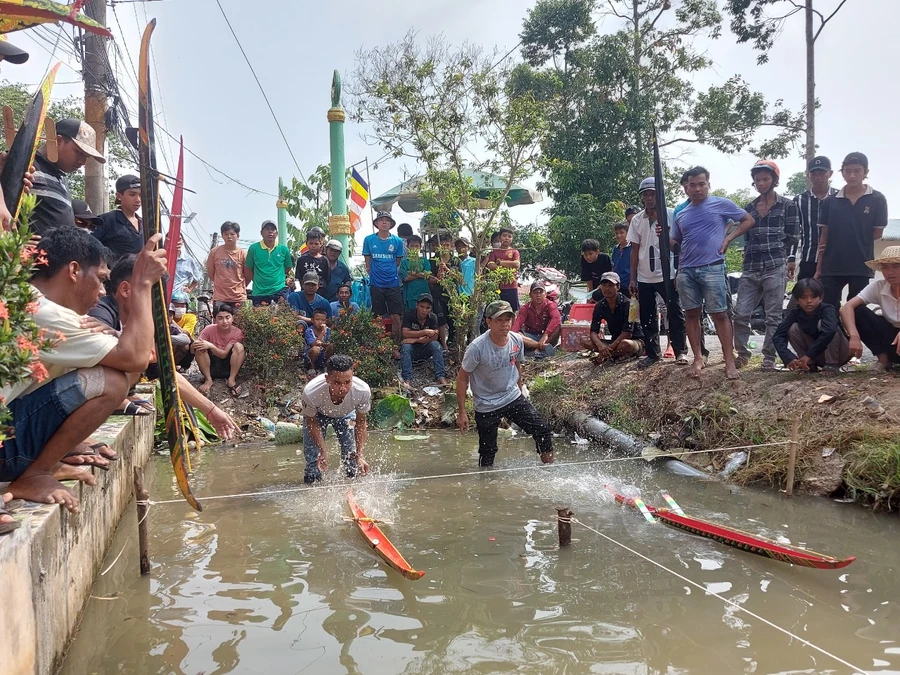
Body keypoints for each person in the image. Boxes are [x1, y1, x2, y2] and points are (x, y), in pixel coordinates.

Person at [0, 228, 162, 511]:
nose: (102, 292)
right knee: (111, 381)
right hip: (4, 448)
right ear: (74, 270)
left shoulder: (21, 297)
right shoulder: (46, 313)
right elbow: (137, 358)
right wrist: (143, 285)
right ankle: (35, 474)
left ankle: (47, 465)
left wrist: (110, 335)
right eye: (100, 279)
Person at [87, 254, 239, 431]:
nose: (156, 304)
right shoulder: (100, 314)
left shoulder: (136, 321)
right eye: (152, 294)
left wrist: (210, 410)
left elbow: (165, 372)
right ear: (126, 290)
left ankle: (124, 394)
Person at [670, 166, 755, 379]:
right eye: (692, 185)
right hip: (686, 269)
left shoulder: (721, 204)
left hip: (712, 267)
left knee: (720, 314)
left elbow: (748, 219)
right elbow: (675, 241)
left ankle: (729, 362)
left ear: (708, 184)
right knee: (691, 314)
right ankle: (698, 358)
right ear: (686, 188)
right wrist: (665, 237)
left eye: (701, 184)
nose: (697, 189)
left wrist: (728, 239)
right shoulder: (681, 213)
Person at [457, 300, 554, 467]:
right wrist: (462, 412)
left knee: (542, 430)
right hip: (486, 404)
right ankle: (486, 486)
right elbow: (462, 378)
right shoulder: (477, 348)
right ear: (489, 322)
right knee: (487, 453)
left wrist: (520, 388)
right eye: (499, 320)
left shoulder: (516, 340)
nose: (504, 324)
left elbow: (516, 364)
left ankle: (548, 470)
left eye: (508, 319)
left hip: (511, 396)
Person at [733, 160, 799, 371]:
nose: (760, 183)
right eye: (757, 180)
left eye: (765, 179)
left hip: (775, 265)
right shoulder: (749, 208)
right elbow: (746, 236)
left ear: (774, 181)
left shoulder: (788, 206)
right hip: (751, 265)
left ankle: (769, 358)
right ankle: (742, 354)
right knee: (741, 313)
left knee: (773, 316)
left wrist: (785, 257)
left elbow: (793, 236)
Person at [627, 177, 687, 366]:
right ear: (642, 197)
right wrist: (632, 278)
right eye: (646, 194)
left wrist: (679, 271)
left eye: (653, 193)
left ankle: (680, 351)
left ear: (659, 195)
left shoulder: (672, 215)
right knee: (648, 315)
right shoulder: (637, 220)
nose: (649, 197)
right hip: (645, 275)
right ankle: (653, 353)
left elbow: (680, 245)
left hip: (667, 273)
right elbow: (635, 250)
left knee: (675, 313)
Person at [816, 152, 888, 309]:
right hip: (832, 265)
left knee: (857, 308)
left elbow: (877, 233)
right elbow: (824, 236)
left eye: (857, 170)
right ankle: (834, 335)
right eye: (848, 171)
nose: (852, 175)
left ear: (866, 172)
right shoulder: (830, 201)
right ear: (842, 172)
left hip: (861, 264)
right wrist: (819, 268)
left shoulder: (877, 199)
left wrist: (857, 241)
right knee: (829, 308)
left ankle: (855, 335)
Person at [300, 354, 371, 484]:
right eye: (337, 383)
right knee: (314, 467)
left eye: (347, 382)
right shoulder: (311, 392)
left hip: (346, 414)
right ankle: (312, 493)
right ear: (327, 379)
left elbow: (360, 422)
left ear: (352, 377)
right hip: (318, 415)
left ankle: (352, 489)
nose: (343, 388)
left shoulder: (362, 390)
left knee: (353, 463)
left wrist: (360, 454)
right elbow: (311, 421)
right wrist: (323, 451)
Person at [30, 118, 105, 234]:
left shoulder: (61, 178)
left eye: (86, 156)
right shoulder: (28, 165)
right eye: (79, 153)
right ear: (58, 141)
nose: (83, 162)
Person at [840, 246, 900, 373]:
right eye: (885, 267)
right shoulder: (879, 286)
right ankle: (884, 360)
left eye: (896, 266)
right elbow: (846, 308)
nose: (890, 272)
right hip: (892, 341)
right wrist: (854, 336)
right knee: (858, 311)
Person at [773, 278, 848, 375]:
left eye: (813, 297)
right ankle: (809, 366)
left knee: (828, 327)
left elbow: (829, 332)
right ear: (797, 300)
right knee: (793, 328)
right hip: (814, 356)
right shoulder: (795, 313)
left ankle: (831, 364)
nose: (809, 301)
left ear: (820, 298)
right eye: (804, 297)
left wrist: (809, 355)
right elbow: (778, 335)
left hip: (839, 353)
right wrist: (788, 357)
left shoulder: (828, 310)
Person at [791, 156, 837, 283]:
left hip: (834, 258)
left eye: (822, 173)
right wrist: (791, 257)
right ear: (808, 175)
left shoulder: (839, 198)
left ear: (830, 174)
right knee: (805, 296)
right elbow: (794, 231)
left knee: (831, 298)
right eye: (814, 173)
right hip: (808, 257)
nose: (818, 177)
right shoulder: (799, 200)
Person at [580, 272, 644, 362]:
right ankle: (611, 354)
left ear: (617, 287)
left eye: (610, 285)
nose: (607, 288)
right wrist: (600, 345)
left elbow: (628, 333)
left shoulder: (629, 304)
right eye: (604, 285)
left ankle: (608, 355)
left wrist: (609, 348)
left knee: (625, 344)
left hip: (633, 341)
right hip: (614, 341)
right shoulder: (599, 305)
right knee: (584, 340)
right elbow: (593, 331)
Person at [363, 211, 405, 344]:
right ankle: (380, 346)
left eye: (387, 220)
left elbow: (397, 261)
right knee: (377, 318)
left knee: (396, 317)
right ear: (376, 223)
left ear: (391, 224)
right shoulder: (369, 240)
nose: (384, 222)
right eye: (381, 220)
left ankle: (394, 346)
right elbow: (367, 260)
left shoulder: (397, 241)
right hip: (376, 284)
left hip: (393, 283)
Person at [192, 304, 247, 397]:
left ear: (232, 318)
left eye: (227, 317)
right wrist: (195, 344)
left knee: (239, 347)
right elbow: (193, 349)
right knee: (200, 348)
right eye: (220, 318)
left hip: (228, 367)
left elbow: (224, 355)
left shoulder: (237, 332)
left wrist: (210, 345)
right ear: (215, 319)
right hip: (211, 367)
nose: (224, 321)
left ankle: (231, 380)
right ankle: (208, 379)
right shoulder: (209, 329)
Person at [400, 294, 446, 389]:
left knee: (436, 345)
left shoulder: (433, 317)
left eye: (427, 308)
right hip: (412, 350)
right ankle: (407, 379)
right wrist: (424, 332)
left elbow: (435, 337)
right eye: (422, 306)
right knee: (406, 347)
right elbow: (405, 333)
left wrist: (415, 339)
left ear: (430, 309)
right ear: (417, 305)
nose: (424, 310)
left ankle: (441, 377)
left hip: (425, 349)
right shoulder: (409, 314)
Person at [93, 174, 142, 262]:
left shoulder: (144, 224)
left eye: (141, 195)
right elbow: (88, 247)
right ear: (119, 196)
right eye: (132, 194)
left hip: (142, 274)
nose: (138, 199)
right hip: (115, 274)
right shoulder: (106, 220)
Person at [244, 220, 293, 306]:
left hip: (279, 290)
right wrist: (258, 280)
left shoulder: (283, 249)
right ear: (261, 233)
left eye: (273, 229)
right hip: (259, 292)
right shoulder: (254, 248)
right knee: (260, 319)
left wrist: (277, 278)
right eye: (267, 229)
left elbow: (287, 267)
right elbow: (248, 269)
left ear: (276, 233)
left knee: (282, 318)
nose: (270, 231)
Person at [512, 282, 561, 359]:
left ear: (545, 294)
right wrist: (511, 335)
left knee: (557, 326)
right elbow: (518, 322)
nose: (538, 295)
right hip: (531, 337)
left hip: (548, 338)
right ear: (530, 295)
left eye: (541, 292)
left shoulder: (550, 305)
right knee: (517, 334)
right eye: (535, 292)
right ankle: (539, 347)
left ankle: (539, 348)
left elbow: (556, 318)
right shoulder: (525, 308)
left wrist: (546, 334)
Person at [206, 221, 247, 311]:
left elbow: (248, 275)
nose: (229, 236)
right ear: (222, 235)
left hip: (238, 297)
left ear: (238, 236)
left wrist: (239, 286)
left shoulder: (243, 254)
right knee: (220, 324)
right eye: (226, 234)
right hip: (220, 297)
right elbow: (210, 272)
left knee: (239, 324)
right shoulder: (214, 252)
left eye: (232, 234)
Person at [485, 227, 521, 310]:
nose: (507, 238)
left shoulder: (514, 251)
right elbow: (490, 265)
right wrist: (508, 265)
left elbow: (516, 264)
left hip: (512, 286)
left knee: (512, 310)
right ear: (500, 237)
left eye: (509, 236)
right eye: (504, 235)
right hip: (498, 287)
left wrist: (500, 262)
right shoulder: (494, 251)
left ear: (512, 239)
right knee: (498, 311)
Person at [399, 234, 431, 310]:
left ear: (421, 247)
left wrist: (412, 273)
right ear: (407, 247)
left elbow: (427, 275)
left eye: (417, 246)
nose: (414, 248)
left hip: (424, 293)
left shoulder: (424, 261)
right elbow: (405, 278)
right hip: (410, 295)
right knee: (411, 316)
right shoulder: (404, 262)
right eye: (412, 246)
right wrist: (420, 274)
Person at [304, 308, 333, 377]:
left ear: (326, 321)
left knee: (332, 346)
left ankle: (326, 366)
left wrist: (325, 344)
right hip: (312, 356)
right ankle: (311, 367)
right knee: (316, 349)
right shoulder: (309, 331)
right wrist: (322, 332)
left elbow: (329, 342)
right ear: (312, 320)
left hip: (323, 354)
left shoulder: (328, 330)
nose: (320, 322)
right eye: (317, 319)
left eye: (323, 320)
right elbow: (314, 344)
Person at [611, 222, 632, 297]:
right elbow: (613, 266)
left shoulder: (632, 248)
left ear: (627, 233)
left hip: (629, 284)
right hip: (617, 284)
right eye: (616, 233)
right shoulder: (615, 249)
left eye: (621, 233)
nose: (619, 235)